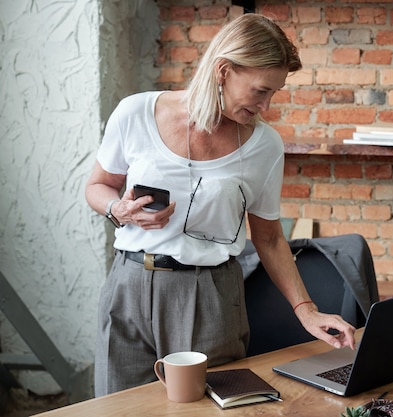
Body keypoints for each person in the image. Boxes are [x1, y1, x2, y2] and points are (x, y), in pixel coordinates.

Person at [85, 13, 356, 396]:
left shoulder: (265, 146)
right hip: (127, 286)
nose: (265, 106)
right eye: (261, 90)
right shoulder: (135, 113)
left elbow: (270, 238)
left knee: (210, 409)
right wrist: (118, 210)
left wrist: (306, 311)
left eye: (273, 94)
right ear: (224, 70)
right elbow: (98, 186)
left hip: (209, 295)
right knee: (117, 405)